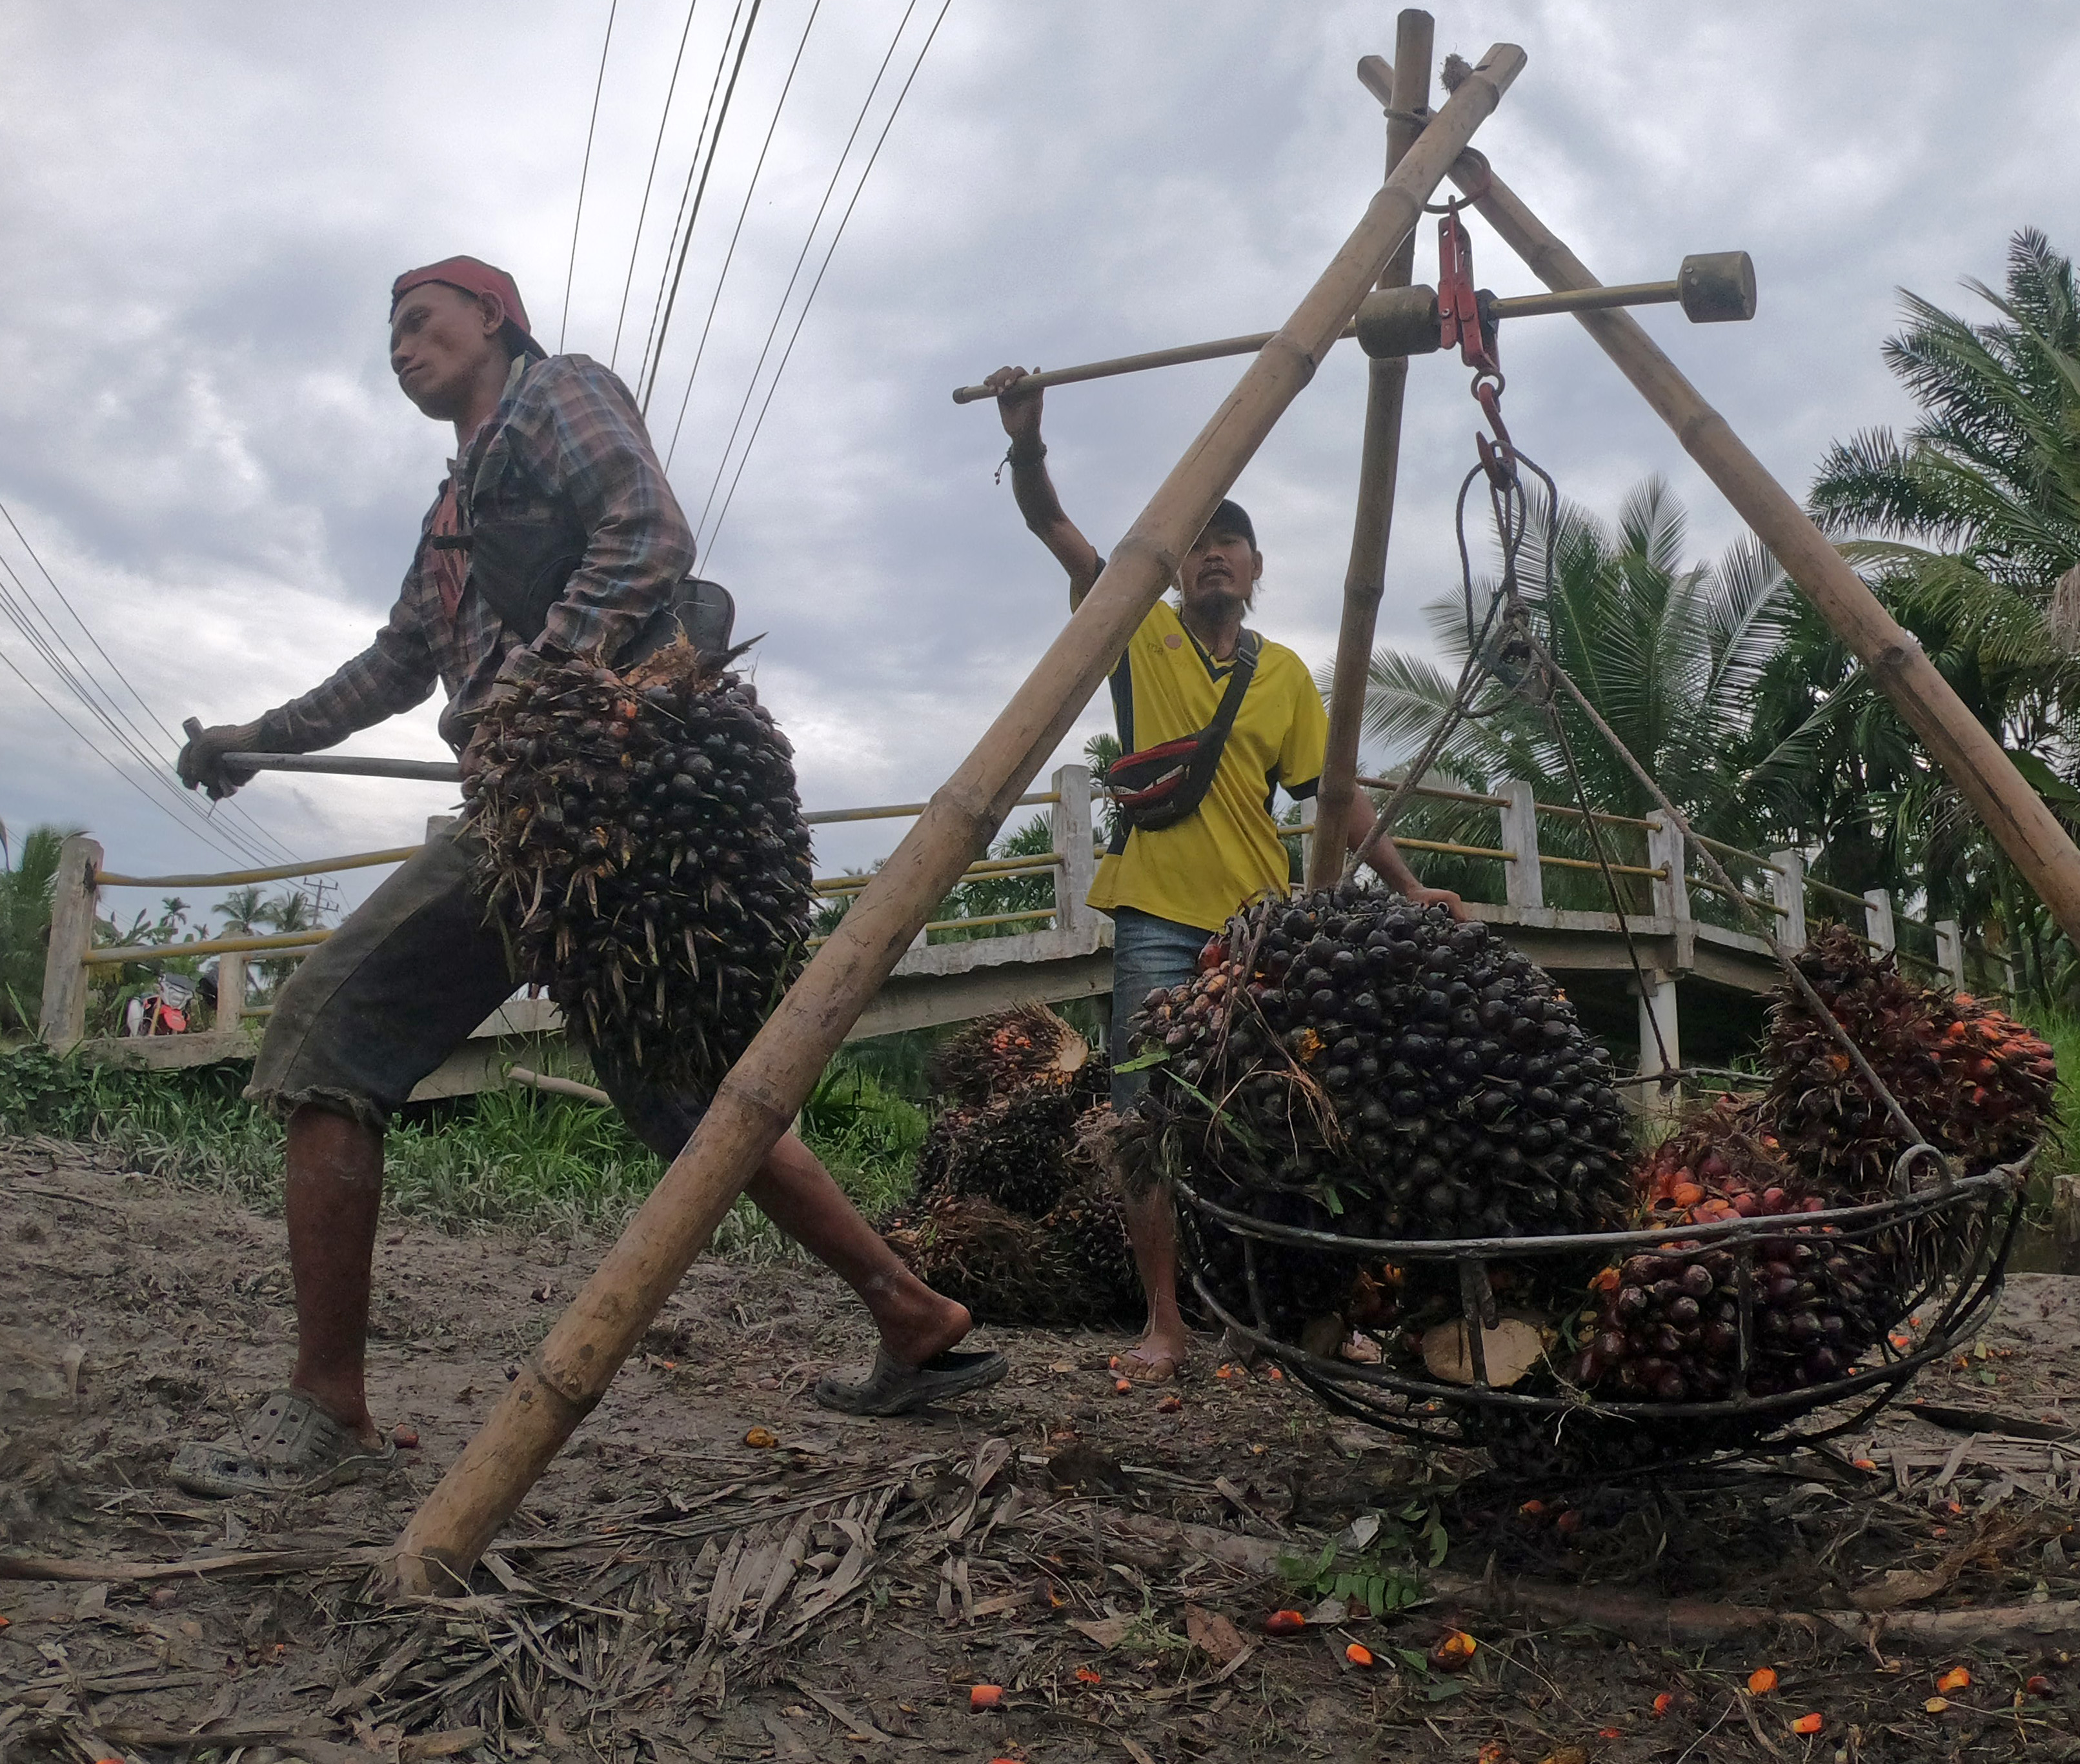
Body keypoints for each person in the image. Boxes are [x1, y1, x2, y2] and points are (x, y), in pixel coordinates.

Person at [167, 258, 1000, 1497]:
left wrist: (536, 692)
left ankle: (326, 1409)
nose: (400, 347)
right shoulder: (453, 518)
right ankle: (913, 1314)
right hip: (552, 804)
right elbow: (393, 668)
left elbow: (650, 528)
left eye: (419, 320)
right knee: (685, 1100)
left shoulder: (554, 395)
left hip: (572, 794)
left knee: (326, 1038)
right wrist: (252, 736)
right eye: (387, 335)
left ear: (490, 318)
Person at [984, 364, 1462, 1382]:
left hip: (1257, 927)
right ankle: (1166, 1320)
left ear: (1254, 568)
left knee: (1277, 1115)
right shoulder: (1138, 630)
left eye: (1228, 543)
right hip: (1155, 913)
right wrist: (1025, 440)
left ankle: (1275, 1310)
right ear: (1178, 562)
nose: (1211, 555)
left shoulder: (1283, 674)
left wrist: (1411, 888)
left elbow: (1336, 799)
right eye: (1197, 542)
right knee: (1147, 1119)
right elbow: (1053, 529)